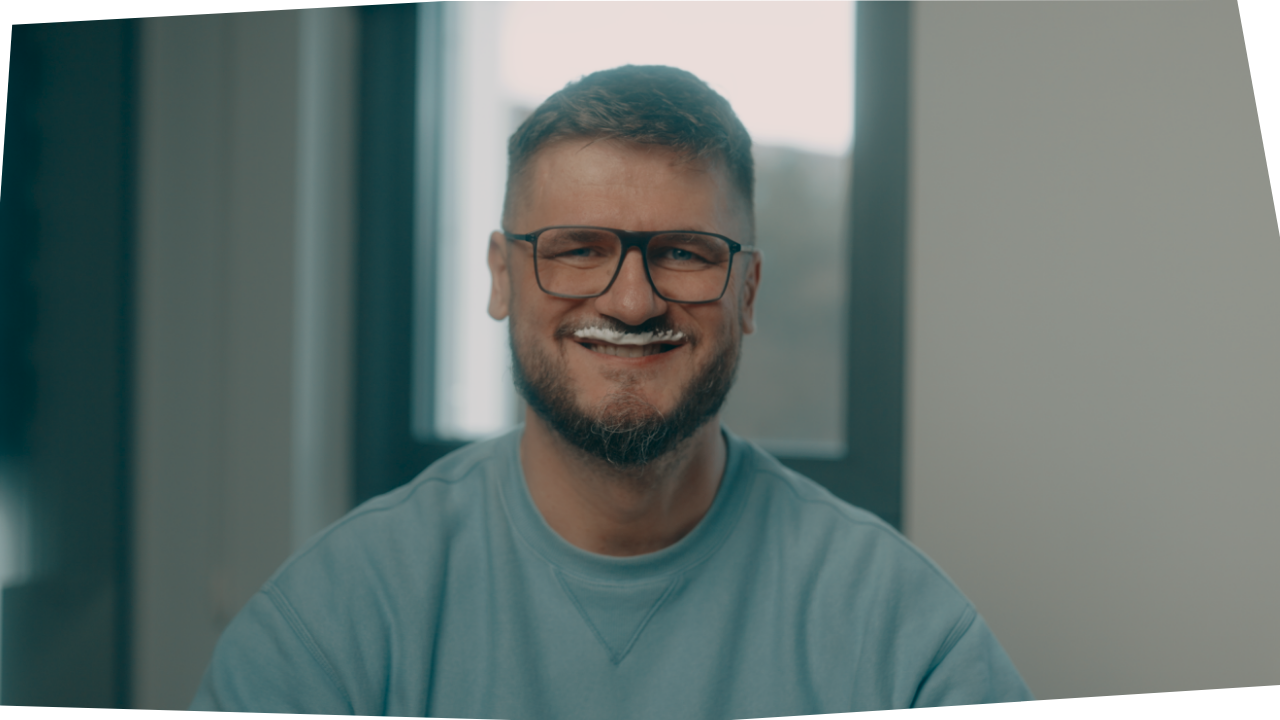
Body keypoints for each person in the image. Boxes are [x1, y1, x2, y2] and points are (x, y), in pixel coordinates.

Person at [191, 65, 1032, 718]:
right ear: (501, 277)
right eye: (578, 249)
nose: (632, 302)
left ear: (747, 292)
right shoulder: (331, 629)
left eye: (685, 253)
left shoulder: (904, 640)